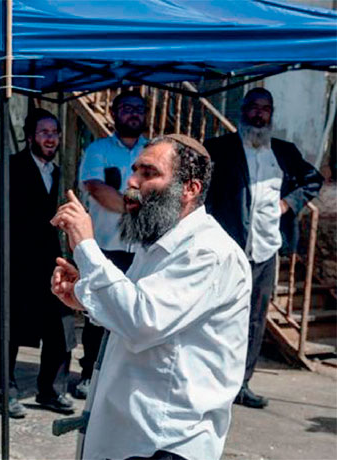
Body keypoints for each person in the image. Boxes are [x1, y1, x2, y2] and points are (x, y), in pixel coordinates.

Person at [51, 135, 251, 460]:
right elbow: (133, 307)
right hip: (130, 437)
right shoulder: (158, 244)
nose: (131, 182)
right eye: (135, 171)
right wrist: (85, 297)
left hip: (164, 442)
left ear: (190, 189)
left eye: (148, 173)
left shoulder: (210, 253)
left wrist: (86, 247)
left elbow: (143, 320)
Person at [205, 88, 324, 409]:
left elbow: (313, 180)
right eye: (253, 107)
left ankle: (242, 384)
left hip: (265, 251)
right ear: (242, 110)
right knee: (217, 316)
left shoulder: (284, 152)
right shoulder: (220, 149)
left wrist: (290, 202)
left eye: (265, 109)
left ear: (271, 114)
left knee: (255, 320)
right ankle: (211, 380)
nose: (259, 114)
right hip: (226, 251)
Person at [0, 108, 76, 418]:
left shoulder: (59, 173)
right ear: (30, 136)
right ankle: (3, 393)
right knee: (11, 329)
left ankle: (51, 390)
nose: (50, 137)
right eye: (44, 132)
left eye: (55, 132)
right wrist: (4, 248)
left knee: (62, 328)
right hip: (17, 263)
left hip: (51, 262)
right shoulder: (10, 167)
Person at [74, 90, 148, 399]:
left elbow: (154, 194)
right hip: (107, 244)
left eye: (138, 109)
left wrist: (127, 201)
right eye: (127, 108)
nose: (133, 114)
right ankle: (90, 373)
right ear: (115, 113)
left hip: (143, 249)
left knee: (137, 313)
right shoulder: (98, 150)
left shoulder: (154, 152)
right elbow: (97, 189)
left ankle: (128, 377)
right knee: (98, 312)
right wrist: (133, 206)